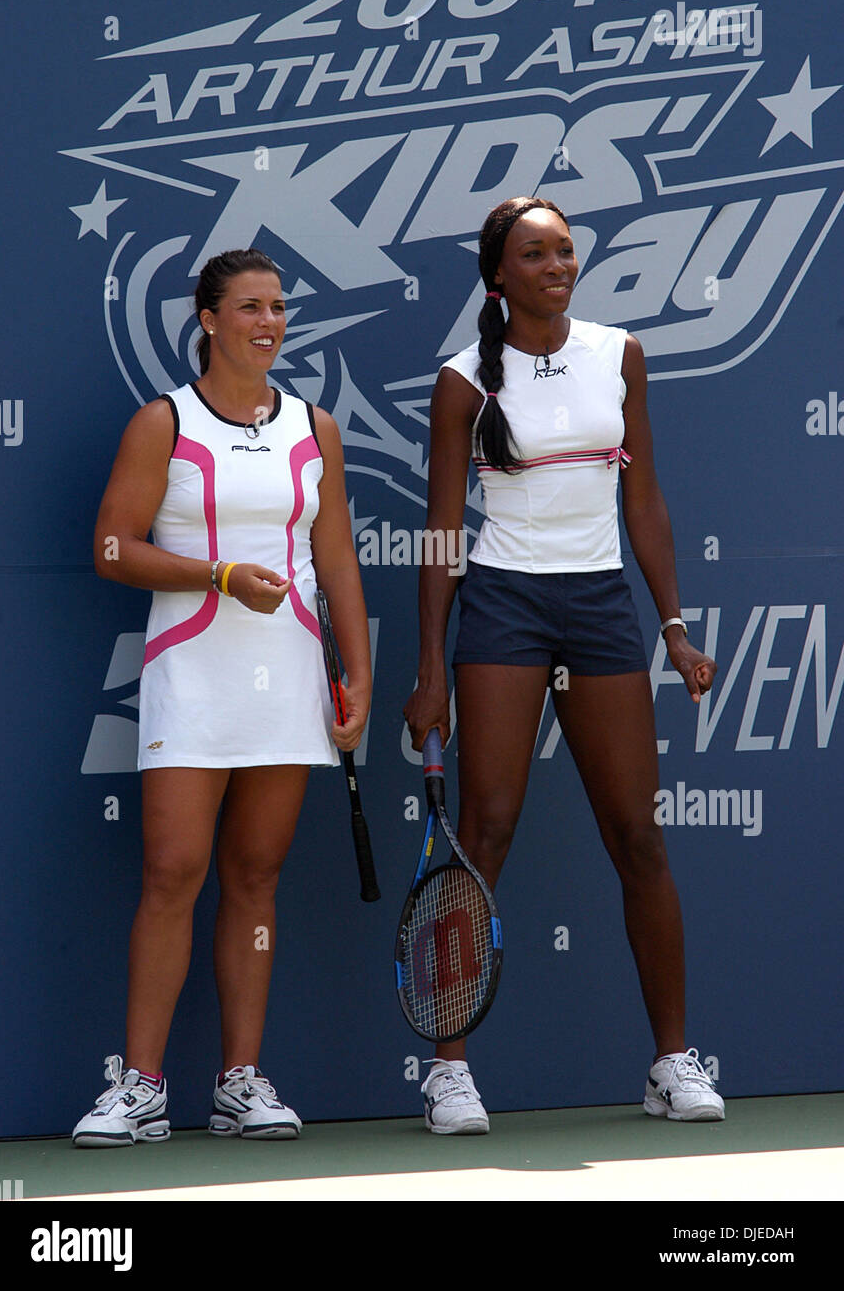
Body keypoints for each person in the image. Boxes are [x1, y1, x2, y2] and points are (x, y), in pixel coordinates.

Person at [404, 197, 724, 1135]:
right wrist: (430, 666)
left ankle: (670, 1061)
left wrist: (671, 623)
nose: (557, 265)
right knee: (486, 830)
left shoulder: (617, 352)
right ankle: (450, 1069)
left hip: (596, 608)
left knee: (638, 836)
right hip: (501, 603)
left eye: (565, 250)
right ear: (497, 274)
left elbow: (645, 497)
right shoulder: (463, 380)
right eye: (534, 253)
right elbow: (440, 530)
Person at [73, 248, 370, 1145]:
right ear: (208, 321)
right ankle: (143, 1089)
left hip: (287, 675)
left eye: (278, 306)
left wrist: (357, 670)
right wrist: (219, 574)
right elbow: (113, 550)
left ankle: (241, 1083)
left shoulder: (316, 428)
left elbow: (336, 560)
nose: (269, 322)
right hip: (190, 673)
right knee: (171, 873)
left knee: (255, 879)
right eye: (248, 307)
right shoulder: (162, 423)